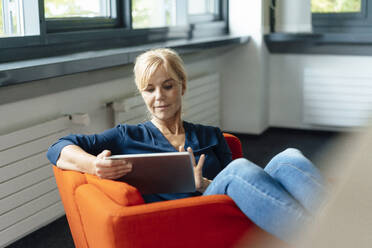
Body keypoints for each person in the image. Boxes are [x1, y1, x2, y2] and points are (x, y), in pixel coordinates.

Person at [47, 48, 328, 243]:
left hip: (219, 209)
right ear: (142, 94)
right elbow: (59, 147)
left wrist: (205, 185)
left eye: (168, 86)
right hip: (184, 221)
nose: (159, 97)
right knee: (240, 168)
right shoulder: (127, 136)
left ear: (182, 86)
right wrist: (94, 165)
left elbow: (238, 194)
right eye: (150, 89)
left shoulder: (211, 135)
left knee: (289, 157)